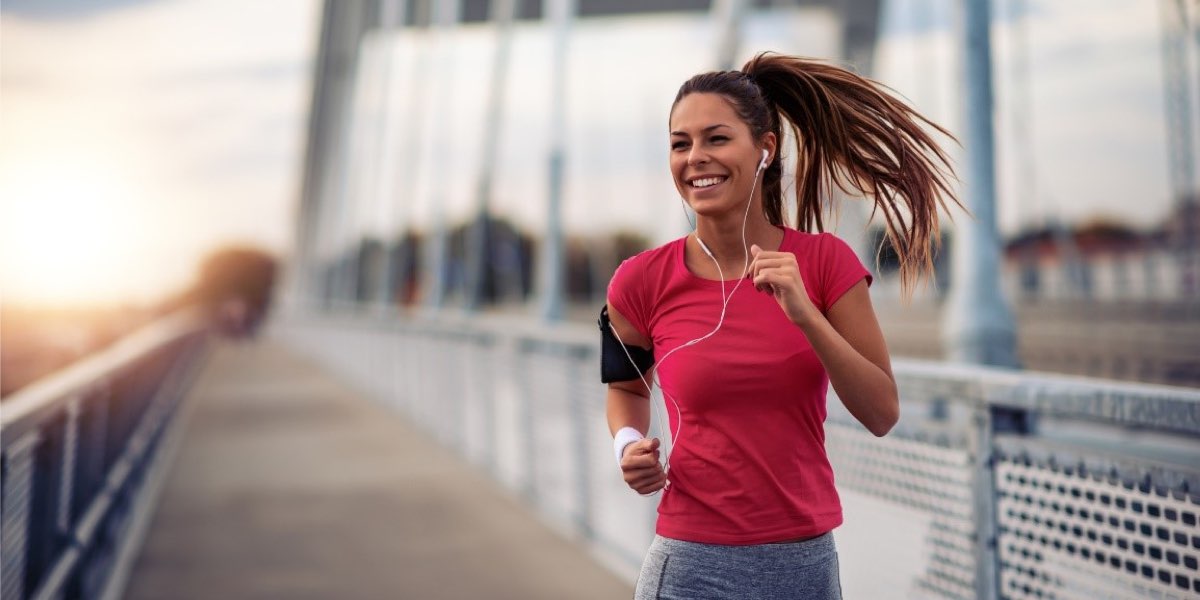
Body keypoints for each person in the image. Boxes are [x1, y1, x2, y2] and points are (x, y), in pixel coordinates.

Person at [601, 52, 962, 599]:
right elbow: (626, 388)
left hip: (804, 567)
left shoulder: (825, 264)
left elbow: (882, 413)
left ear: (764, 149)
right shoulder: (638, 281)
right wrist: (628, 445)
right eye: (680, 143)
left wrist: (805, 315)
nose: (695, 157)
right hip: (690, 570)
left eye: (716, 139)